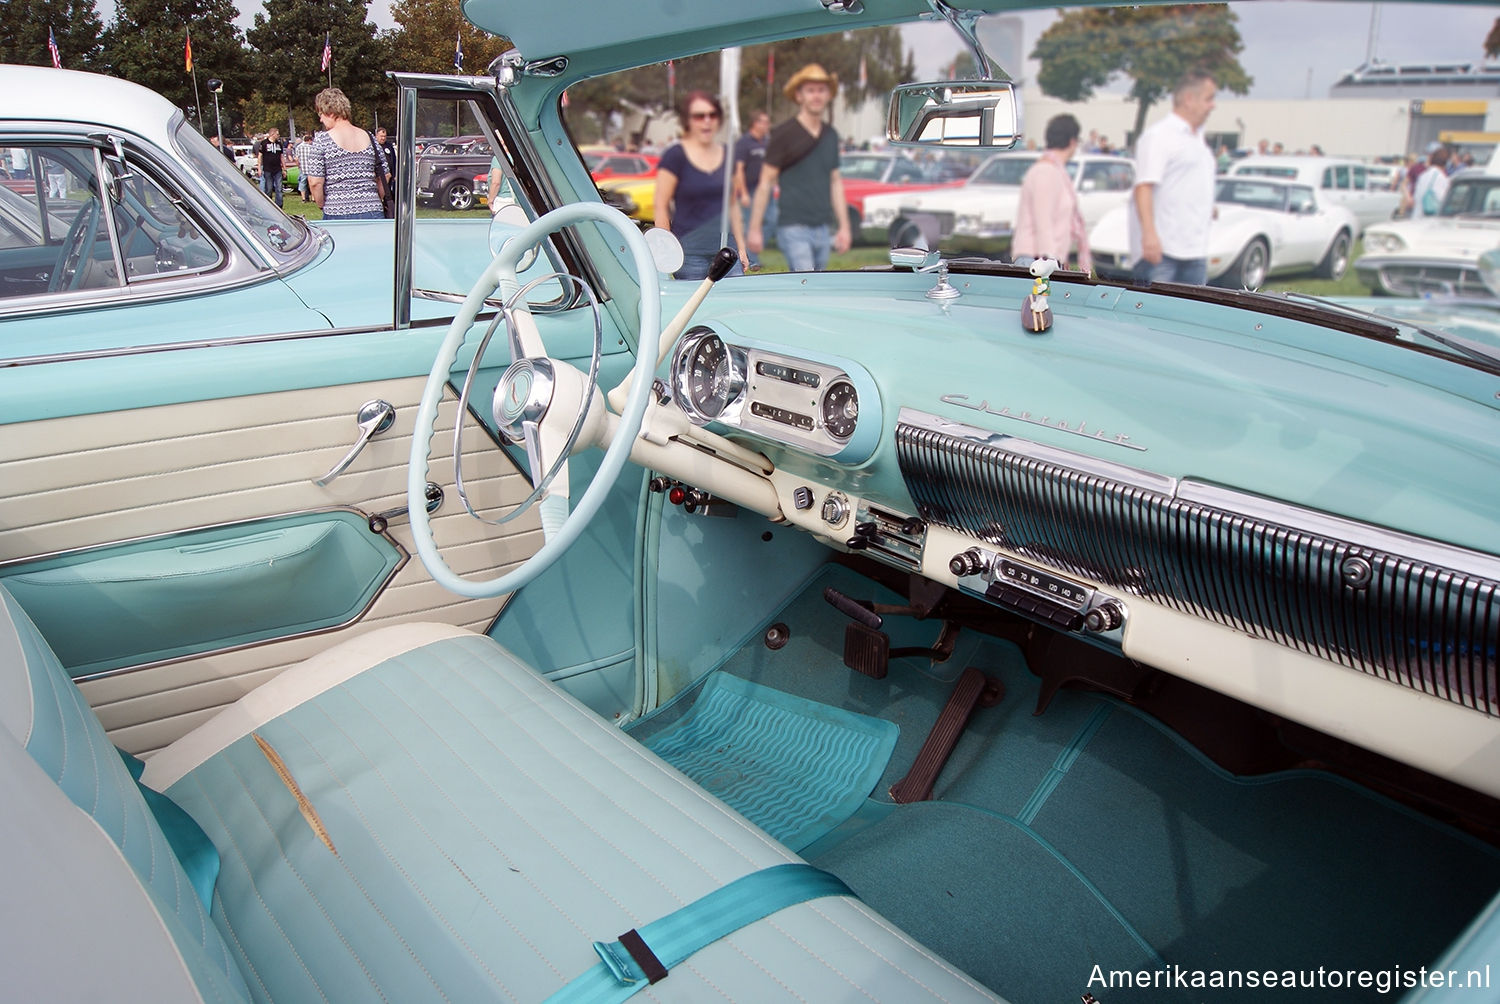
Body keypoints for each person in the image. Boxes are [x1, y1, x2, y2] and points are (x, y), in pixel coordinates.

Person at [748, 63, 850, 272]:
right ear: (799, 95)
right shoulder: (783, 134)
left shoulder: (830, 135)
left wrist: (844, 227)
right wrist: (755, 228)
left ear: (828, 95)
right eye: (810, 90)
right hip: (794, 227)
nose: (816, 96)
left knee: (816, 285)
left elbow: (835, 182)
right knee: (807, 282)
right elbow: (766, 183)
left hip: (823, 227)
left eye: (821, 90)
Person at [1128, 70, 1217, 286]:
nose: (1213, 105)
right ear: (1188, 99)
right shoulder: (1160, 136)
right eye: (1209, 99)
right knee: (1153, 317)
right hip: (1163, 254)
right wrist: (1149, 236)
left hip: (1194, 252)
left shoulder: (1197, 140)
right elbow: (1144, 188)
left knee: (1190, 318)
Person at [654, 91, 746, 280]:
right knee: (697, 308)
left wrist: (742, 248)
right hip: (689, 255)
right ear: (688, 120)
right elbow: (661, 205)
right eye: (699, 116)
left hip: (727, 252)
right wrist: (665, 249)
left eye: (712, 115)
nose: (706, 121)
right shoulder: (675, 156)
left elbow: (733, 205)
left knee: (736, 307)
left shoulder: (728, 155)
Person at [1011, 114, 1091, 274]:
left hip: (1043, 260)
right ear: (1072, 142)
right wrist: (1052, 261)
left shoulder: (1053, 170)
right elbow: (1044, 222)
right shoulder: (1046, 172)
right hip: (1037, 262)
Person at [302, 87, 389, 221]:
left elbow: (315, 182)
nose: (320, 120)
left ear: (330, 112)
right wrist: (373, 199)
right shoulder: (370, 137)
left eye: (321, 115)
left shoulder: (322, 140)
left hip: (336, 211)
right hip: (372, 210)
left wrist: (321, 204)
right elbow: (385, 175)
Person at [732, 110, 772, 267]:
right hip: (749, 189)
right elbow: (739, 169)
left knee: (770, 220)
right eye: (764, 122)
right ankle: (752, 259)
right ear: (755, 123)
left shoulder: (766, 142)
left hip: (765, 189)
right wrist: (743, 193)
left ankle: (752, 250)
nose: (767, 126)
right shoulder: (744, 143)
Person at [1409, 145, 1450, 218]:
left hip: (1416, 216)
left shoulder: (1423, 175)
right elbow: (1442, 200)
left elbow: (1416, 197)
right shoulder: (1441, 178)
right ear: (1445, 163)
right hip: (1429, 219)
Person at [255, 127, 285, 207]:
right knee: (269, 188)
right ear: (272, 134)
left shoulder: (279, 144)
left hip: (277, 169)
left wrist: (284, 168)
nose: (278, 135)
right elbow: (260, 156)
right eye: (277, 134)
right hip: (267, 169)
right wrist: (259, 168)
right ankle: (269, 205)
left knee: (279, 188)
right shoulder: (264, 143)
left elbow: (281, 156)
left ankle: (279, 205)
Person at [375, 126, 397, 216]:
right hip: (379, 178)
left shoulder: (389, 146)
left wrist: (395, 174)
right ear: (376, 136)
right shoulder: (374, 147)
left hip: (390, 177)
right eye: (381, 136)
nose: (383, 138)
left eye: (384, 136)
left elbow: (394, 160)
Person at [294, 132, 314, 200]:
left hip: (303, 168)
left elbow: (296, 158)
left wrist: (298, 165)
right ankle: (313, 198)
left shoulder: (299, 147)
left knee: (302, 183)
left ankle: (303, 198)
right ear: (309, 140)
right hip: (311, 168)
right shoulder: (312, 147)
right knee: (311, 183)